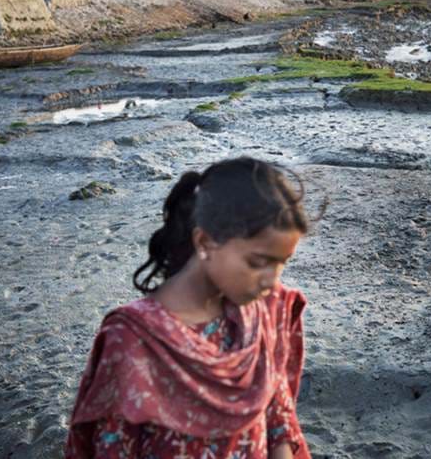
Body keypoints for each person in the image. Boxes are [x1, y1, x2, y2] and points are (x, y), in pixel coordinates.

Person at [65, 157, 312, 459]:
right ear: (205, 242)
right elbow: (115, 448)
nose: (273, 282)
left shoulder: (264, 312)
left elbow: (278, 416)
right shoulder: (134, 340)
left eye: (282, 263)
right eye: (257, 262)